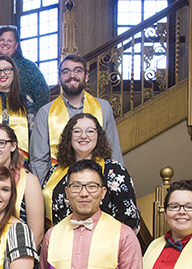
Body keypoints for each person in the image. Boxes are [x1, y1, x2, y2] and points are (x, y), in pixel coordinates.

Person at [30, 54, 123, 183]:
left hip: (98, 183)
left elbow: (114, 153)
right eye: (66, 71)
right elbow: (39, 160)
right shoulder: (45, 113)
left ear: (86, 76)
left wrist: (119, 186)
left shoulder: (103, 108)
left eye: (78, 70)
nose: (72, 75)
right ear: (59, 79)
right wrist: (43, 192)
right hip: (58, 184)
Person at [42, 113, 139, 230]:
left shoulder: (114, 171)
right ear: (69, 136)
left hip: (106, 243)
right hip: (62, 242)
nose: (83, 136)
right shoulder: (54, 171)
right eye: (77, 131)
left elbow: (129, 220)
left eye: (90, 131)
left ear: (98, 136)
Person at [0, 25, 50, 122]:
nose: (5, 43)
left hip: (23, 118)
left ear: (16, 45)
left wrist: (38, 117)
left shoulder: (29, 67)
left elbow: (42, 94)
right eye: (1, 39)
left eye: (10, 40)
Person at [0, 55, 31, 167]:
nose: (2, 74)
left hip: (21, 160)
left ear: (14, 73)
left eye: (7, 70)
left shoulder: (26, 101)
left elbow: (32, 134)